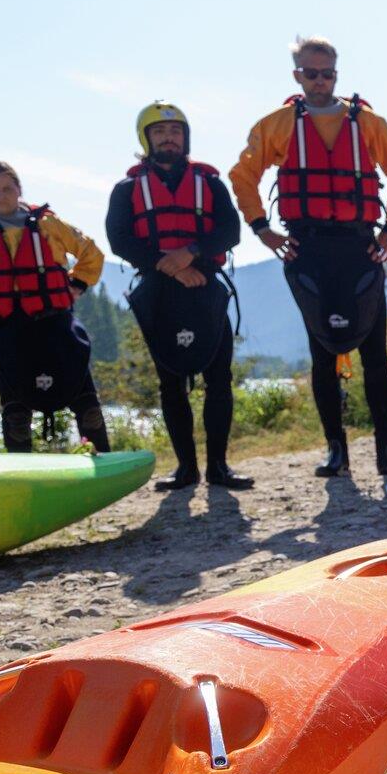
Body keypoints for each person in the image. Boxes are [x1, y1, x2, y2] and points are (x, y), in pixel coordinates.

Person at [231, 35, 387, 479]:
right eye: (310, 73)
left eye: (327, 72)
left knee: (375, 353)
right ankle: (337, 450)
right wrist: (261, 228)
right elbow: (242, 176)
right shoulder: (277, 125)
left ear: (337, 72)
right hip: (306, 248)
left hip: (360, 246)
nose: (319, 80)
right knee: (321, 355)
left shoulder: (367, 123)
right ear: (297, 75)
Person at [107, 101, 251, 491]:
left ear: (184, 138)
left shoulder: (210, 184)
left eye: (175, 132)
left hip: (206, 283)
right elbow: (119, 239)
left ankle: (219, 467)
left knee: (218, 378)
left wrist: (191, 255)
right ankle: (186, 469)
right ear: (146, 138)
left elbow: (229, 232)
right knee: (170, 380)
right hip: (157, 289)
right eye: (159, 132)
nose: (168, 138)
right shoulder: (127, 189)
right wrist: (167, 264)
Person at [0, 162, 110, 453]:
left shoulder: (49, 225)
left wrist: (78, 284)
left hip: (54, 321)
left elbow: (91, 253)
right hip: (4, 326)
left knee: (84, 398)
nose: (1, 195)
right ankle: (22, 472)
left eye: (7, 188)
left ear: (19, 189)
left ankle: (101, 458)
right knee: (15, 411)